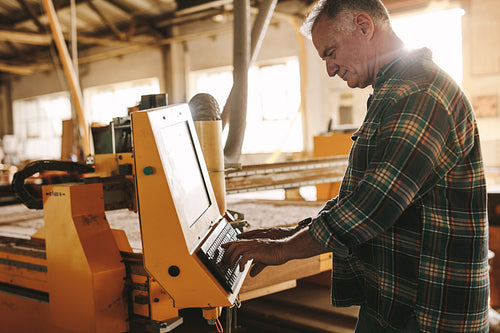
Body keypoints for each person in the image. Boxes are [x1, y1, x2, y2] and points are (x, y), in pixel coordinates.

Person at [221, 0, 490, 332]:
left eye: (330, 53)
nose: (330, 69)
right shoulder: (392, 93)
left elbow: (374, 206)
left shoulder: (419, 93)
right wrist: (289, 232)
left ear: (365, 26)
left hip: (430, 310)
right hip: (394, 300)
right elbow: (362, 194)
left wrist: (284, 251)